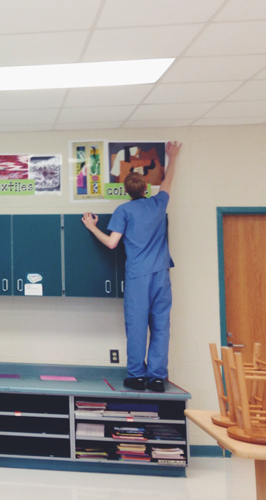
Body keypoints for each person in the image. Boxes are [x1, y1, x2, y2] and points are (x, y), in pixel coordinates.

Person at [82, 141, 181, 393]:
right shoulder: (159, 204)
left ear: (126, 191)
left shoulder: (124, 210)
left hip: (138, 276)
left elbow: (112, 243)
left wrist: (92, 227)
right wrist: (173, 157)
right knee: (161, 326)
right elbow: (168, 182)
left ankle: (136, 376)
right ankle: (157, 378)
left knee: (136, 327)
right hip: (161, 274)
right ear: (146, 189)